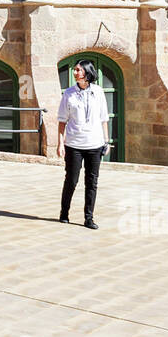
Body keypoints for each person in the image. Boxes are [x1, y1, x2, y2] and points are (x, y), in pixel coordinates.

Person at [57, 60, 110, 229]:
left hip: (95, 145)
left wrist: (106, 141)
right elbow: (62, 121)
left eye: (78, 70)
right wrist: (60, 144)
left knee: (92, 182)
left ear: (87, 72)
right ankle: (64, 213)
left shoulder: (99, 92)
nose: (75, 73)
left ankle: (89, 218)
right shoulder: (68, 93)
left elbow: (104, 119)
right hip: (74, 145)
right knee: (71, 181)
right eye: (74, 70)